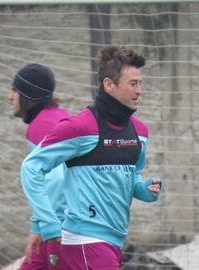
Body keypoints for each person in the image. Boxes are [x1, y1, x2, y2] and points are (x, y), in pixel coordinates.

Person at [21, 46, 163, 269]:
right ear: (109, 84)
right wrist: (46, 222)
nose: (139, 90)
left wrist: (144, 190)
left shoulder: (140, 133)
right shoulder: (79, 127)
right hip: (83, 240)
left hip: (114, 241)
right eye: (133, 83)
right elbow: (31, 167)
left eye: (140, 83)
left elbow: (133, 175)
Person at [8, 63, 69, 269]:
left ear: (28, 94)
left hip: (59, 229)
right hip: (66, 223)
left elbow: (56, 179)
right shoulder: (59, 116)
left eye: (14, 90)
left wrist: (39, 226)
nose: (10, 97)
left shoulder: (40, 127)